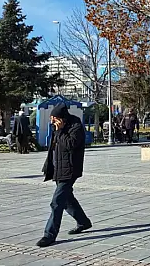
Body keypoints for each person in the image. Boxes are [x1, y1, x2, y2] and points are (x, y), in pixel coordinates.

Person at [36, 103, 92, 247]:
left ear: (61, 118)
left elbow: (70, 145)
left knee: (57, 202)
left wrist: (60, 131)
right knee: (67, 199)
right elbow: (54, 148)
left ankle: (49, 235)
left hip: (70, 169)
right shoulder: (57, 128)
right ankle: (83, 222)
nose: (51, 121)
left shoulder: (75, 125)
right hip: (58, 168)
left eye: (53, 118)